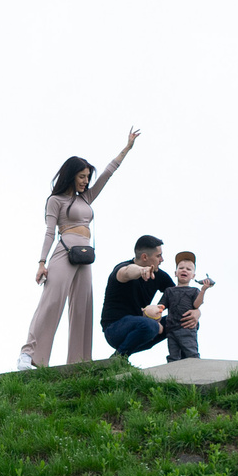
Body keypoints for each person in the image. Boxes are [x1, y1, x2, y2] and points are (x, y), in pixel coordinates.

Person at [21, 128, 141, 369]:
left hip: (85, 256)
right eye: (82, 177)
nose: (86, 181)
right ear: (71, 176)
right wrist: (41, 263)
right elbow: (49, 232)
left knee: (83, 307)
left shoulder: (86, 198)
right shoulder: (55, 201)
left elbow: (108, 173)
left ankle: (79, 362)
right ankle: (29, 355)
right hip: (64, 252)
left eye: (88, 177)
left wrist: (126, 149)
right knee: (52, 302)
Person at [100, 236, 173, 360]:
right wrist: (141, 270)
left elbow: (178, 297)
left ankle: (183, 360)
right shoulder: (122, 269)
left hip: (142, 330)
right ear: (145, 257)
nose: (162, 260)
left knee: (184, 322)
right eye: (158, 256)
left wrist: (195, 312)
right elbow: (127, 272)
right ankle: (118, 359)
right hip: (115, 330)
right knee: (150, 325)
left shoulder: (160, 275)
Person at [160, 251, 213, 362]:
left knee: (191, 353)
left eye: (188, 269)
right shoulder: (169, 291)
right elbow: (161, 306)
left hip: (187, 328)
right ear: (175, 273)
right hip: (171, 328)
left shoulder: (194, 291)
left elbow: (196, 305)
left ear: (193, 276)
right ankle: (172, 376)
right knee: (173, 355)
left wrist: (203, 290)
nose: (184, 270)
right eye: (181, 268)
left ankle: (196, 373)